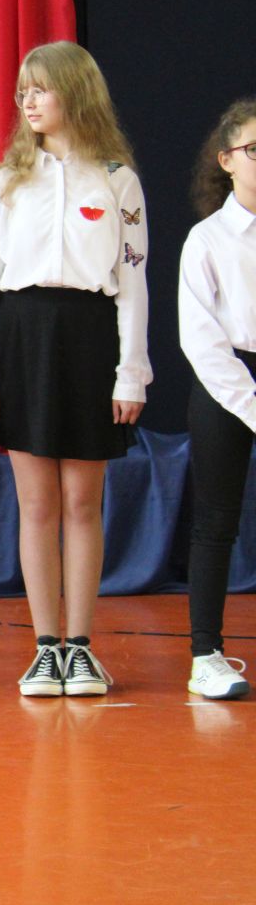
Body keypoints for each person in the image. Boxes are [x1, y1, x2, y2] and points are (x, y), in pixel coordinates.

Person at [0, 41, 150, 698]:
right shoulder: (8, 182)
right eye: (23, 91)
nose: (28, 101)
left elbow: (133, 282)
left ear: (76, 92)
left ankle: (81, 647)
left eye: (40, 88)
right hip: (23, 338)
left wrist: (131, 371)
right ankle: (46, 647)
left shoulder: (118, 180)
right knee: (37, 503)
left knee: (82, 502)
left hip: (91, 339)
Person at [178, 96, 256, 700]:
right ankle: (206, 655)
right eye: (255, 149)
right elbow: (200, 338)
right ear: (226, 160)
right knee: (215, 521)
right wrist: (250, 403)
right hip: (225, 383)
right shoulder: (207, 239)